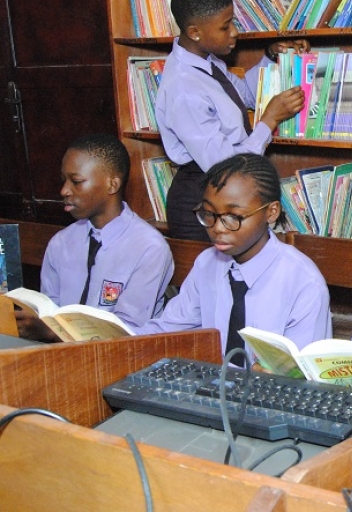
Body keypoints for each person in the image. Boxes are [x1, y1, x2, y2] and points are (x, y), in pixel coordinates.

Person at [136, 153, 331, 363]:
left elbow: (304, 371)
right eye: (209, 213)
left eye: (234, 217)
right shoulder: (207, 264)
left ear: (271, 212)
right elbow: (169, 327)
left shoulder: (303, 282)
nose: (218, 228)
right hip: (215, 387)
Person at [157, 0, 310, 240]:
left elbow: (245, 95)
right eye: (225, 27)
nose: (234, 32)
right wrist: (269, 120)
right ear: (195, 32)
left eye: (233, 22)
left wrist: (272, 56)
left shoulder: (207, 61)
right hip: (203, 203)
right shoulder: (184, 88)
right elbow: (223, 167)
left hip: (228, 195)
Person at [16, 133, 174, 341]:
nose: (64, 190)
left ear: (112, 185)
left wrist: (54, 334)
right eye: (64, 180)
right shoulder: (61, 243)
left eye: (77, 181)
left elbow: (126, 331)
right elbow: (48, 309)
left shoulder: (149, 248)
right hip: (60, 356)